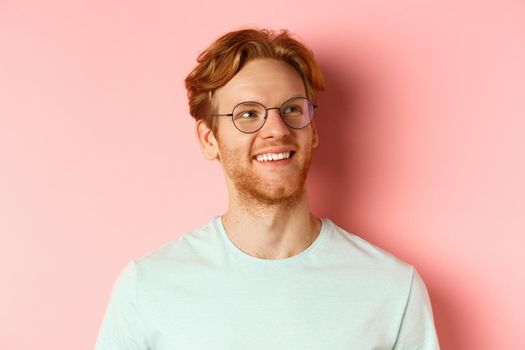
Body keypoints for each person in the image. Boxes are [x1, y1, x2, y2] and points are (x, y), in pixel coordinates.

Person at [95, 28, 440, 350]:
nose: (276, 129)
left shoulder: (391, 288)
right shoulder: (148, 287)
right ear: (208, 139)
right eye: (247, 114)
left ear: (313, 131)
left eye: (292, 109)